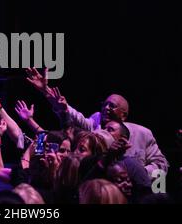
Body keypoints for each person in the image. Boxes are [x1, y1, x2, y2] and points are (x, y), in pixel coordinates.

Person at [25, 68, 169, 177]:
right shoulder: (96, 125)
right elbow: (72, 117)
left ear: (124, 115)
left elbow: (162, 165)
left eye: (111, 106)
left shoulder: (142, 134)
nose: (106, 108)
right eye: (104, 104)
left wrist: (137, 174)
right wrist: (47, 92)